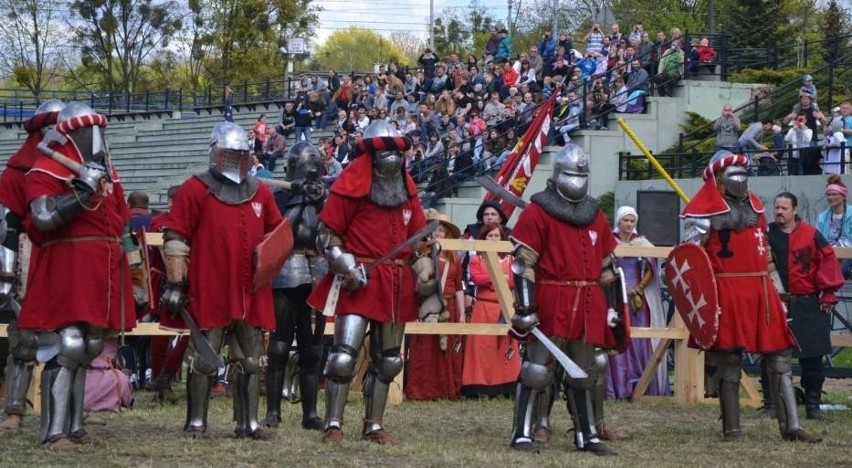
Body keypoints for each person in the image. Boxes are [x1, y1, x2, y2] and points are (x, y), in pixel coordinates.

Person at [306, 120, 442, 444]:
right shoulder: (351, 185)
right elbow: (327, 235)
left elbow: (420, 240)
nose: (392, 158)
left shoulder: (407, 191)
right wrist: (346, 266)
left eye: (398, 151)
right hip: (360, 278)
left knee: (390, 359)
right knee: (343, 356)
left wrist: (424, 269)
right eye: (386, 151)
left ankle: (374, 425)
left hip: (395, 282)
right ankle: (333, 424)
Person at [679, 150, 820, 443]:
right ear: (718, 178)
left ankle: (791, 426)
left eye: (743, 174)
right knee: (730, 360)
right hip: (726, 292)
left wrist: (779, 292)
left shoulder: (755, 209)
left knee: (780, 354)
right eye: (732, 175)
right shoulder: (703, 213)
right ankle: (732, 429)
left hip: (761, 291)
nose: (740, 181)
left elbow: (765, 253)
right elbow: (690, 261)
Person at [18, 102, 136, 448]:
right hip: (68, 260)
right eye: (87, 132)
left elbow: (121, 221)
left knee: (91, 345)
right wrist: (80, 192)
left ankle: (75, 425)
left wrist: (133, 267)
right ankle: (53, 431)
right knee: (66, 343)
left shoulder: (109, 174)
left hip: (103, 263)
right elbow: (42, 218)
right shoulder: (44, 169)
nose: (95, 139)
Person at [160, 121, 285, 440]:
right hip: (210, 285)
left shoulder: (260, 191)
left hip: (251, 288)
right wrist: (176, 284)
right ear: (215, 153)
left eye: (240, 154)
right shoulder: (195, 188)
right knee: (204, 358)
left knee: (253, 361)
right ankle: (197, 421)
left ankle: (249, 423)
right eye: (229, 153)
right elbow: (176, 237)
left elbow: (276, 234)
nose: (234, 160)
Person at [508, 143, 621, 455]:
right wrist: (527, 307)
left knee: (587, 369)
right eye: (571, 174)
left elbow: (607, 268)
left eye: (581, 175)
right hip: (552, 297)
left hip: (587, 300)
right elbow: (523, 263)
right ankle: (523, 432)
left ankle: (588, 434)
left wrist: (612, 309)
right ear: (557, 175)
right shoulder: (538, 211)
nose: (576, 181)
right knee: (537, 369)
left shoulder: (594, 214)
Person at [0, 99, 64, 431]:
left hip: (66, 255)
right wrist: (7, 274)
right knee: (24, 337)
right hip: (29, 256)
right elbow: (6, 223)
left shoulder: (75, 171)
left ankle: (65, 412)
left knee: (72, 337)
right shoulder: (15, 173)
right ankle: (14, 410)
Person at [264, 141, 329, 431]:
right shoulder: (279, 197)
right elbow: (280, 231)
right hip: (286, 271)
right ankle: (273, 411)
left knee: (312, 349)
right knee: (278, 346)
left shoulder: (327, 199)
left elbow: (327, 231)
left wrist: (317, 199)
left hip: (317, 269)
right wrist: (299, 198)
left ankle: (311, 413)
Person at [765, 192, 842, 420]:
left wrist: (828, 292)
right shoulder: (765, 235)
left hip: (808, 303)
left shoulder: (811, 234)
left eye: (784, 208)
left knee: (812, 359)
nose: (779, 212)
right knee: (770, 356)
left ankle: (812, 406)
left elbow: (827, 259)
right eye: (777, 207)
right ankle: (771, 405)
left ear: (794, 210)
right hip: (776, 303)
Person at [606, 207, 669, 399]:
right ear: (619, 221)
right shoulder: (609, 240)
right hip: (615, 294)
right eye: (626, 220)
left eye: (632, 221)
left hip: (636, 299)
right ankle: (618, 387)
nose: (629, 224)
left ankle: (643, 385)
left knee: (640, 342)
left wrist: (640, 288)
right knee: (617, 337)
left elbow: (651, 265)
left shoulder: (642, 242)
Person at [405, 210, 466, 400]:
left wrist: (463, 315)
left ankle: (446, 390)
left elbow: (458, 288)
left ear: (447, 234)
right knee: (424, 349)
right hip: (426, 305)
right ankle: (421, 391)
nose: (437, 234)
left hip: (449, 307)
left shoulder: (455, 259)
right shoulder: (421, 256)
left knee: (446, 350)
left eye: (441, 230)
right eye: (434, 230)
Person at [461, 222, 519, 398]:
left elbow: (512, 281)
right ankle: (478, 387)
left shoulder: (511, 260)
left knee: (504, 348)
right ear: (483, 238)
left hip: (504, 308)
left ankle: (504, 387)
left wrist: (497, 278)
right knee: (480, 348)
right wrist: (500, 276)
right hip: (483, 307)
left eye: (496, 236)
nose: (493, 239)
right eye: (489, 236)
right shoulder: (476, 259)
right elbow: (477, 279)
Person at [815, 175, 852, 278]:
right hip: (829, 254)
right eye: (828, 194)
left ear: (843, 196)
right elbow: (818, 240)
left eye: (834, 194)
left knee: (840, 269)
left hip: (849, 254)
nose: (831, 198)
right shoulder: (822, 217)